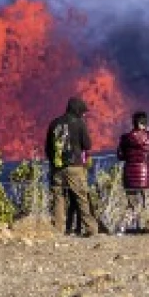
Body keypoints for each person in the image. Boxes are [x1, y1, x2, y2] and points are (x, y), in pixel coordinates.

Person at [46, 97, 94, 235]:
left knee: (58, 199)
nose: (84, 114)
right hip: (75, 166)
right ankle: (90, 229)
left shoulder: (54, 123)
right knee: (82, 197)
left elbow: (48, 147)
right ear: (77, 109)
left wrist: (54, 163)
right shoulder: (79, 123)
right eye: (83, 111)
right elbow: (87, 145)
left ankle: (58, 229)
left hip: (57, 167)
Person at [117, 111, 149, 217]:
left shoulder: (125, 138)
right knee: (147, 205)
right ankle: (147, 225)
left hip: (129, 175)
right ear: (145, 123)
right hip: (145, 176)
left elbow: (120, 156)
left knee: (131, 205)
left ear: (133, 123)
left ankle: (125, 227)